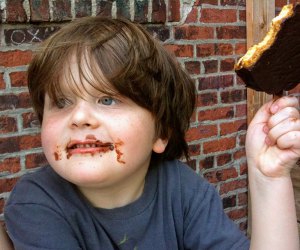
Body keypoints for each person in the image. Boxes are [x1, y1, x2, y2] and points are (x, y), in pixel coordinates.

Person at [3, 16, 299, 249]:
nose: (79, 117)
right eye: (62, 102)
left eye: (108, 99)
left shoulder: (184, 191)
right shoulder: (36, 203)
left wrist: (267, 177)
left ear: (162, 133)